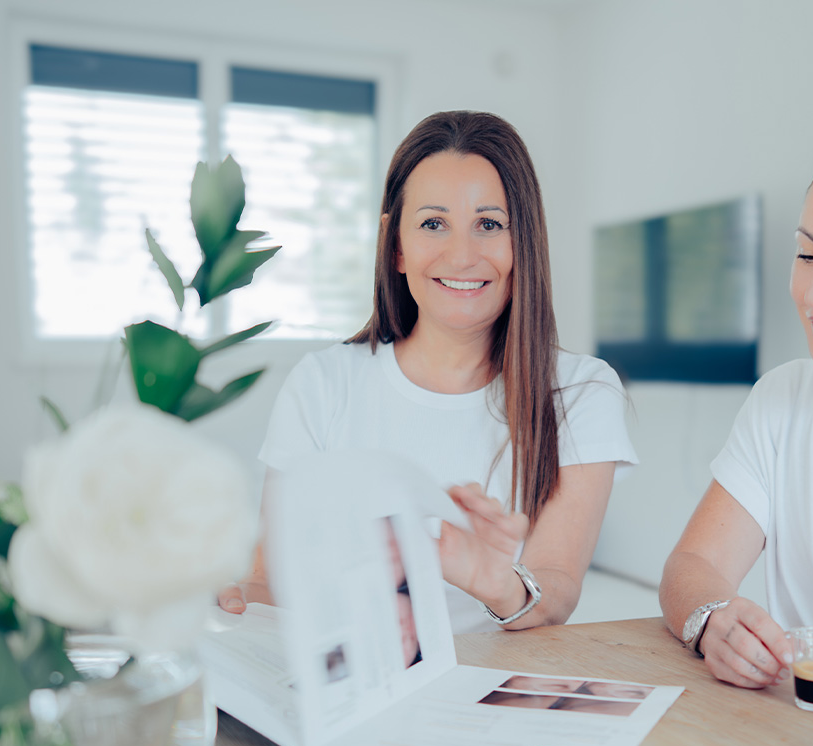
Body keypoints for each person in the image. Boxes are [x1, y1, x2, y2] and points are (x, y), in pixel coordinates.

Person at [220, 110, 636, 633]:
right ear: (395, 244)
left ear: (522, 242)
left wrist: (494, 581)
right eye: (433, 224)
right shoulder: (322, 384)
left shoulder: (581, 391)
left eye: (489, 224)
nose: (462, 256)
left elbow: (556, 591)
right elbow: (270, 579)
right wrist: (240, 605)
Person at [659, 129, 813, 686]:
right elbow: (693, 568)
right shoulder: (782, 398)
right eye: (807, 254)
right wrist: (713, 620)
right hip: (797, 740)